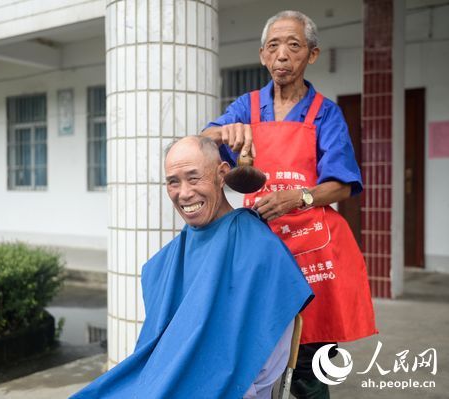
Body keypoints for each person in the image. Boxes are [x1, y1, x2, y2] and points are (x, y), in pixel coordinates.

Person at [202, 10, 377, 399]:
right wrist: (222, 133)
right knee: (257, 357)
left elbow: (344, 185)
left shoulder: (325, 113)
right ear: (263, 55)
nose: (283, 55)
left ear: (311, 55)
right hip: (259, 250)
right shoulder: (246, 107)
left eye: (294, 46)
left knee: (310, 369)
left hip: (312, 253)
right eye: (274, 46)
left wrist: (299, 197)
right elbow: (205, 138)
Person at [70, 136, 313, 399]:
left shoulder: (258, 247)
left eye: (194, 178)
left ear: (222, 175)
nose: (184, 193)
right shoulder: (168, 260)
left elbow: (267, 362)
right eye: (173, 182)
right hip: (157, 382)